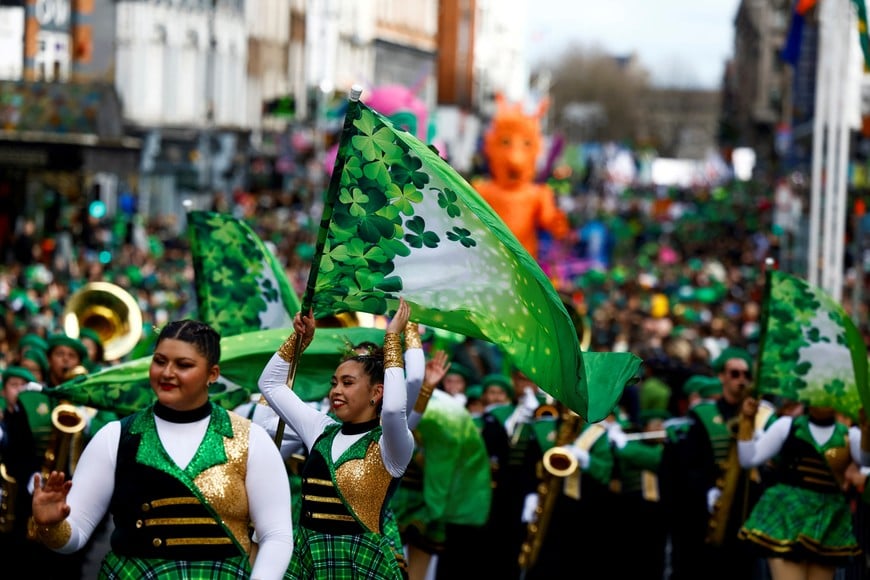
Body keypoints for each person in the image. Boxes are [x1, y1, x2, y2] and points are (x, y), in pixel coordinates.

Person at [29, 319, 294, 579]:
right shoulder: (115, 437)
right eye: (160, 361)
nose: (167, 373)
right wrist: (51, 525)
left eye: (184, 365)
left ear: (212, 374)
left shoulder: (250, 439)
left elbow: (277, 536)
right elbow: (74, 537)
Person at [258, 298, 415, 578]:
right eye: (334, 383)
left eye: (348, 383)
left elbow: (393, 410)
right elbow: (269, 384)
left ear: (376, 393)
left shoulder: (391, 445)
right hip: (309, 559)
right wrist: (299, 340)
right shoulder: (321, 428)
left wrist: (392, 339)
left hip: (360, 563)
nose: (336, 391)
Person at [737, 402, 865, 580]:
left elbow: (866, 460)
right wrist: (746, 422)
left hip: (827, 520)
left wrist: (866, 429)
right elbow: (749, 459)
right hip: (787, 516)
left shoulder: (850, 435)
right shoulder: (786, 426)